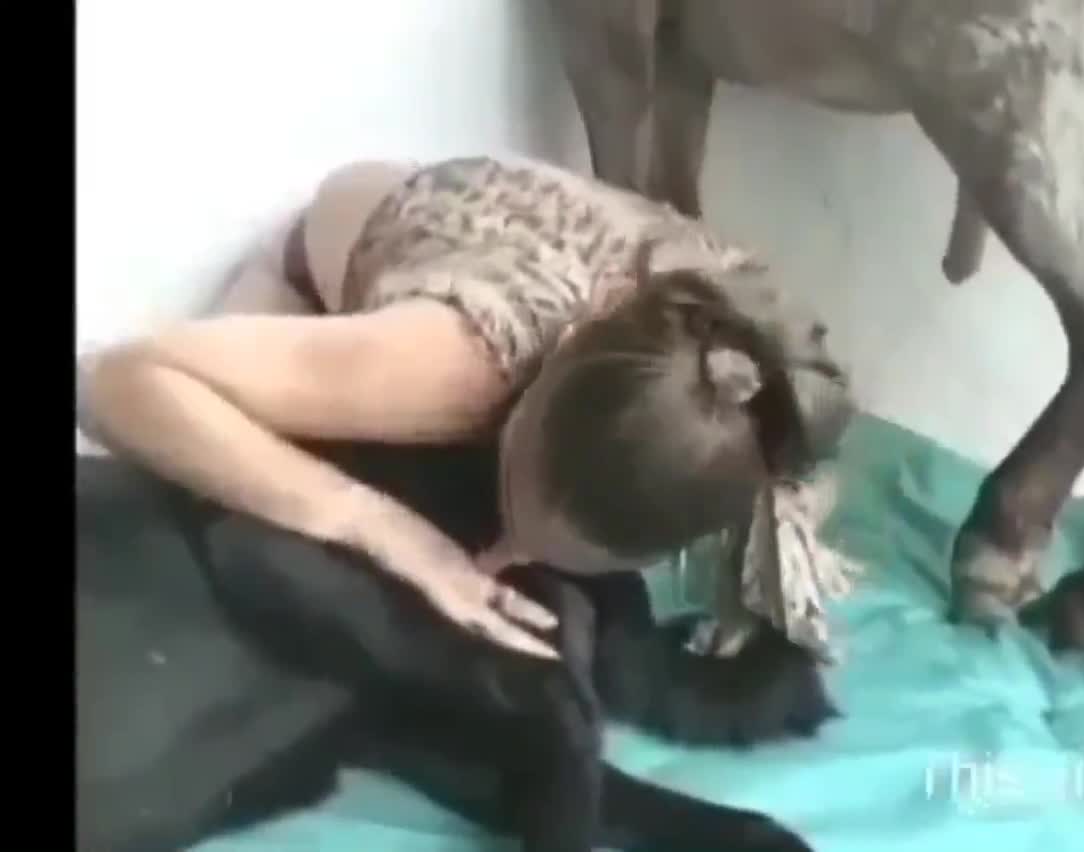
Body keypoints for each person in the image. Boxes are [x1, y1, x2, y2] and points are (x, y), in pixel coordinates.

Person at [78, 154, 852, 663]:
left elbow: (793, 470)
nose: (496, 561)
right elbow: (113, 381)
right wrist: (371, 521)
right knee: (209, 513)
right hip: (339, 247)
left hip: (526, 228)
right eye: (513, 515)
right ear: (528, 392)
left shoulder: (759, 372)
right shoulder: (456, 366)